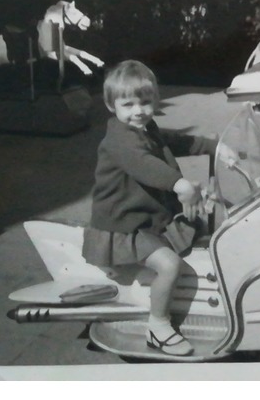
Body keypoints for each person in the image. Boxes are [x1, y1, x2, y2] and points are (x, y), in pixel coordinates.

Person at [82, 60, 201, 356]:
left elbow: (166, 143)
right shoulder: (120, 140)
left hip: (146, 214)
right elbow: (145, 164)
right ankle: (158, 326)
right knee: (170, 265)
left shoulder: (145, 128)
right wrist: (180, 184)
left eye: (145, 102)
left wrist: (210, 144)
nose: (138, 111)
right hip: (125, 225)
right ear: (112, 106)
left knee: (202, 223)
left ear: (154, 101)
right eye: (128, 104)